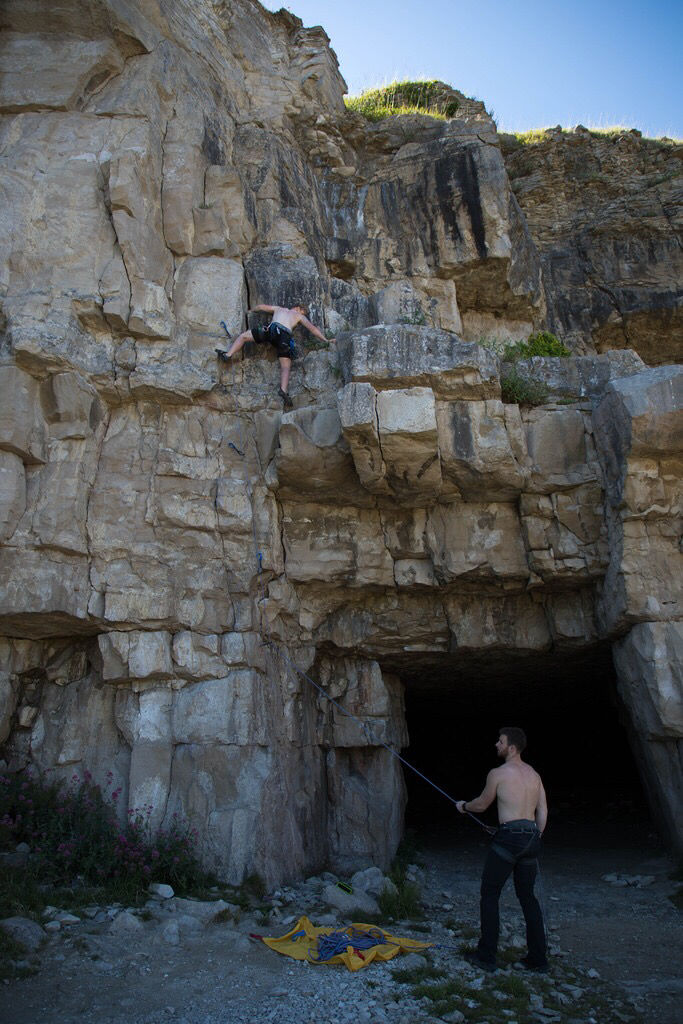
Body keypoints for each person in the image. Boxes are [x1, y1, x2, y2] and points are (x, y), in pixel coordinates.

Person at [456, 726, 548, 974]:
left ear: (512, 748)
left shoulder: (498, 773)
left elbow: (481, 804)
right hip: (531, 837)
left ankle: (486, 956)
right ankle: (538, 960)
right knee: (528, 898)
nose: (496, 744)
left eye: (501, 741)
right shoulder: (534, 775)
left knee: (490, 893)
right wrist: (536, 836)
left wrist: (463, 806)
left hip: (508, 838)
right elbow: (542, 810)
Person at [216, 303, 334, 410]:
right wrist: (326, 340)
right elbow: (313, 329)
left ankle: (228, 354)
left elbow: (261, 307)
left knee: (243, 337)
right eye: (302, 312)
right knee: (286, 366)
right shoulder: (299, 316)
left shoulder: (279, 309)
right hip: (284, 336)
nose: (302, 315)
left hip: (271, 330)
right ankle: (283, 390)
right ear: (298, 308)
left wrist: (250, 310)